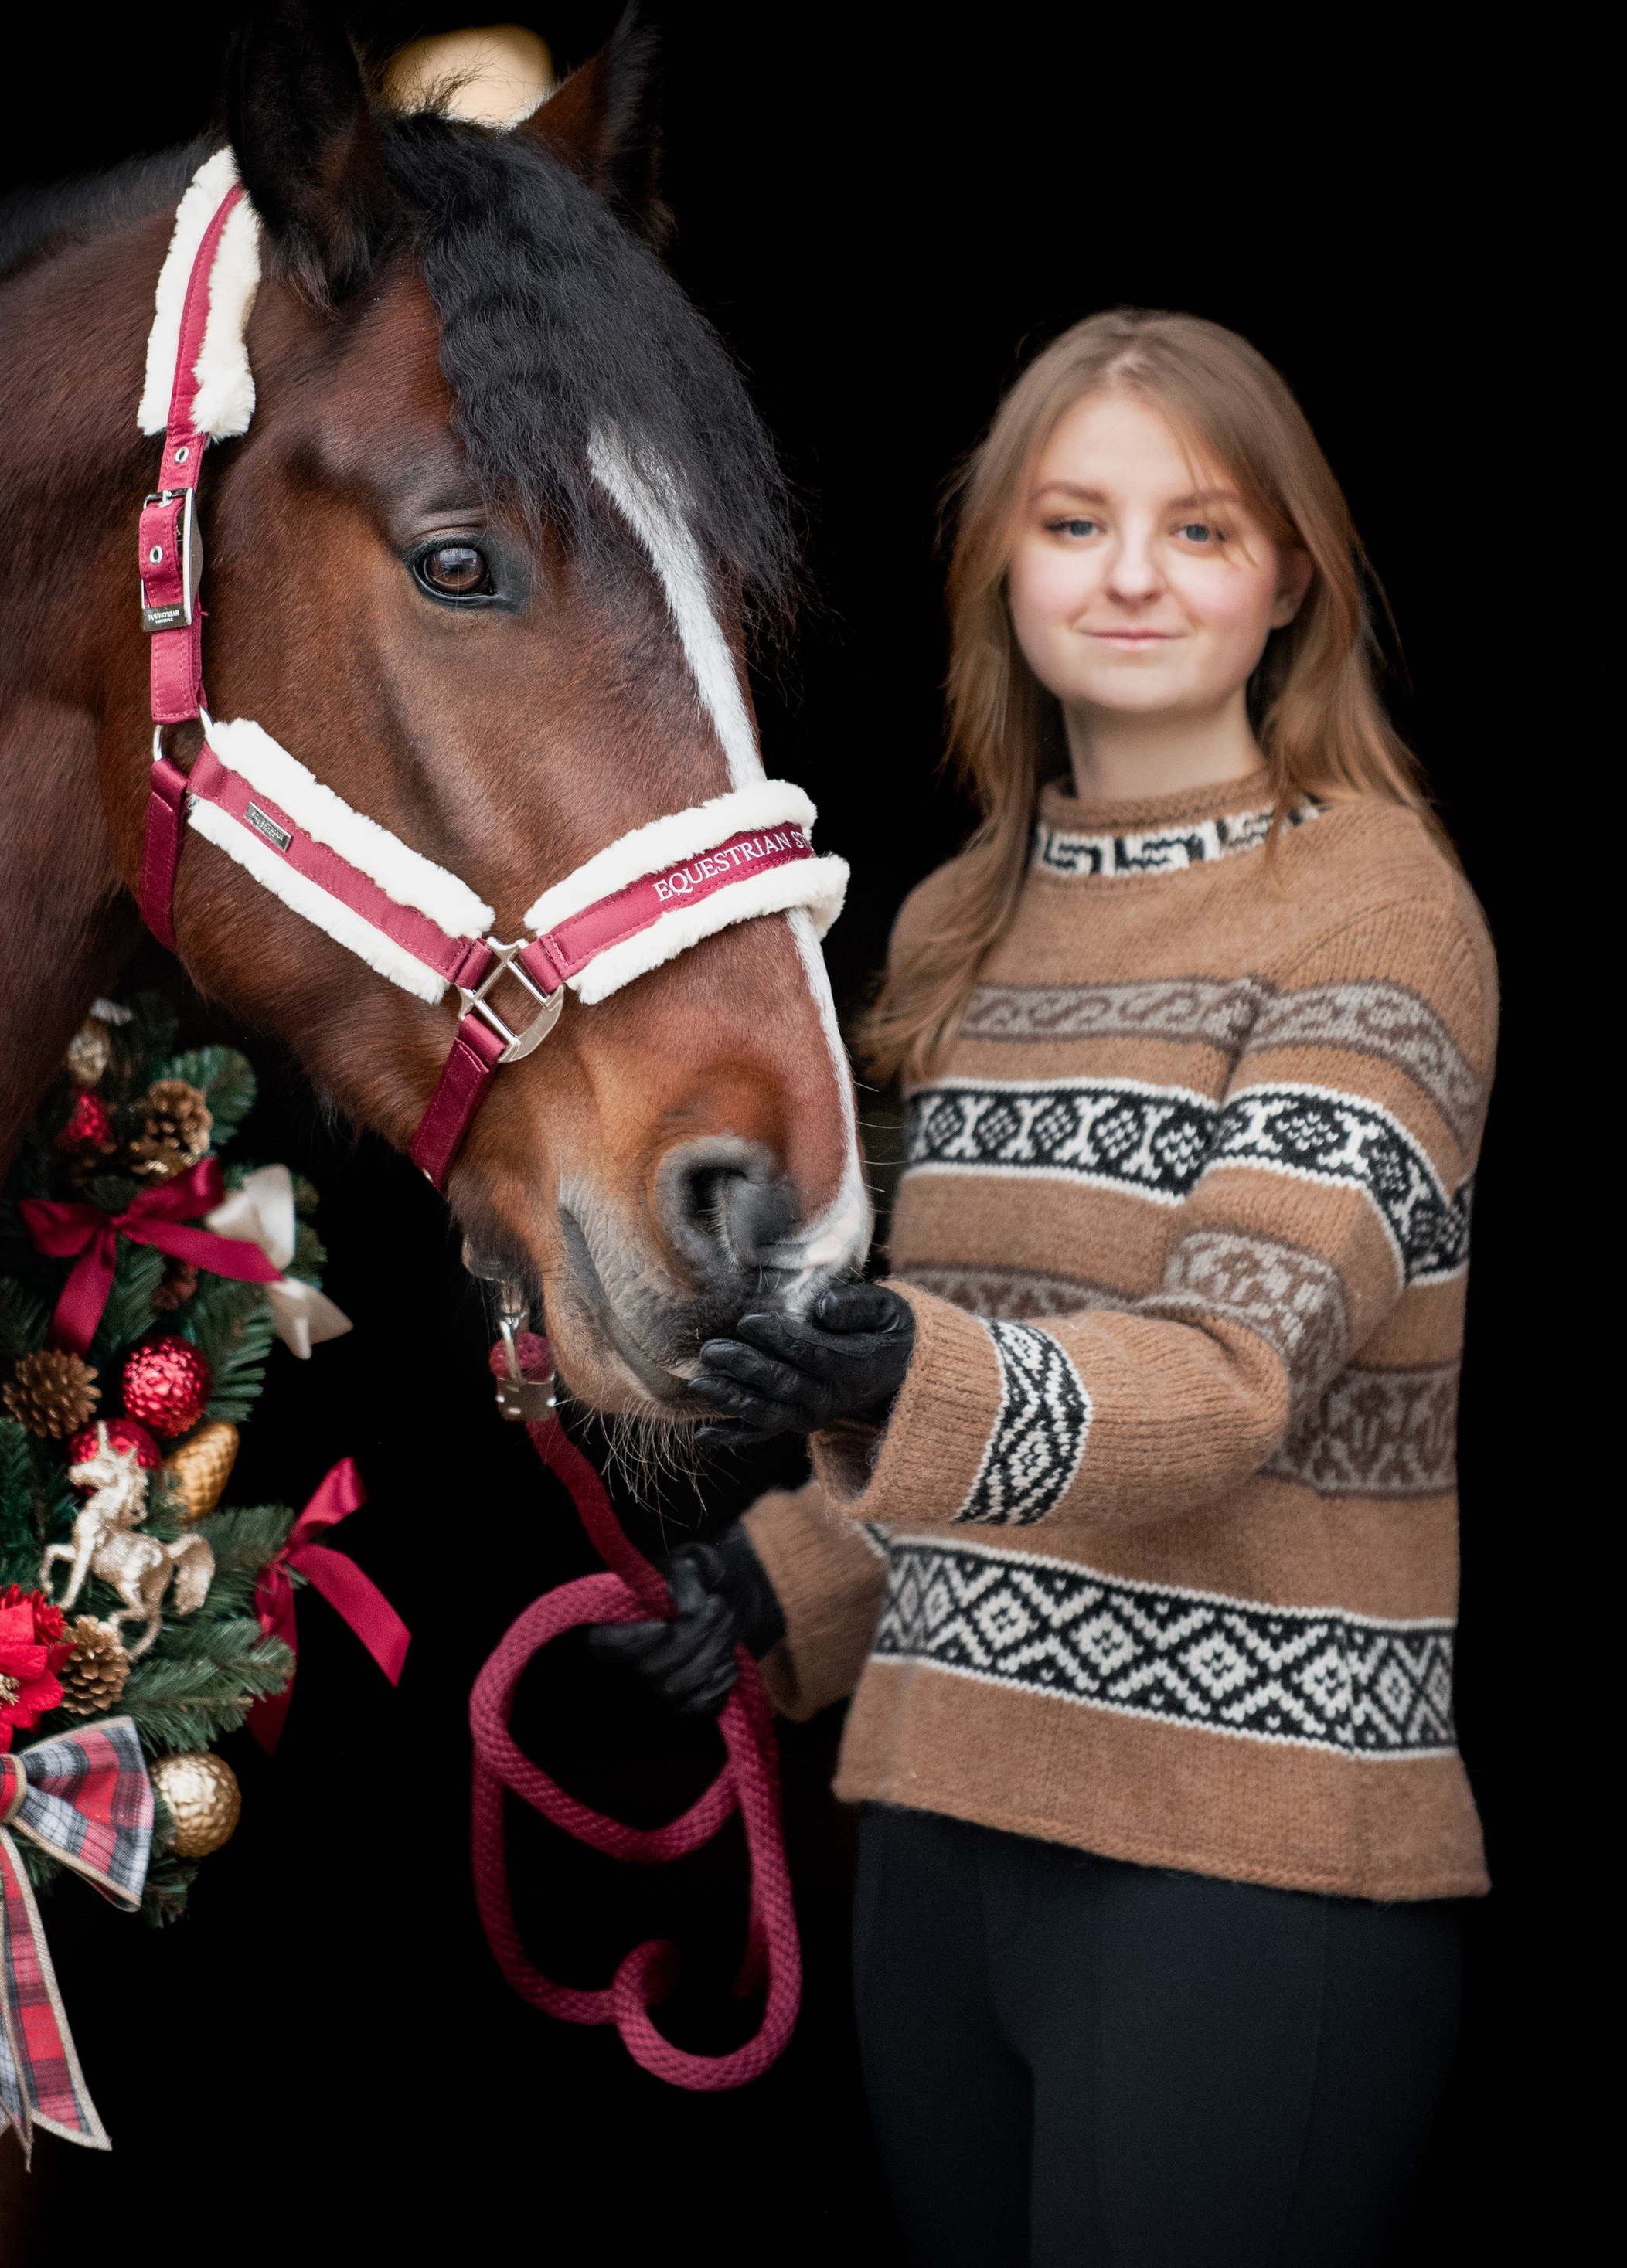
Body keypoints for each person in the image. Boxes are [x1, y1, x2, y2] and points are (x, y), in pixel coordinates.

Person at [596, 310, 1492, 2266]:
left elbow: (1233, 1375)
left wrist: (896, 1369)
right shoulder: (953, 923)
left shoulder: (1376, 907)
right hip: (935, 1827)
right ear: (1001, 565)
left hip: (1243, 1863)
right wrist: (777, 1581)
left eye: (1197, 527)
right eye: (1075, 522)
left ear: (1288, 580)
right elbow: (948, 1421)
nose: (1131, 575)